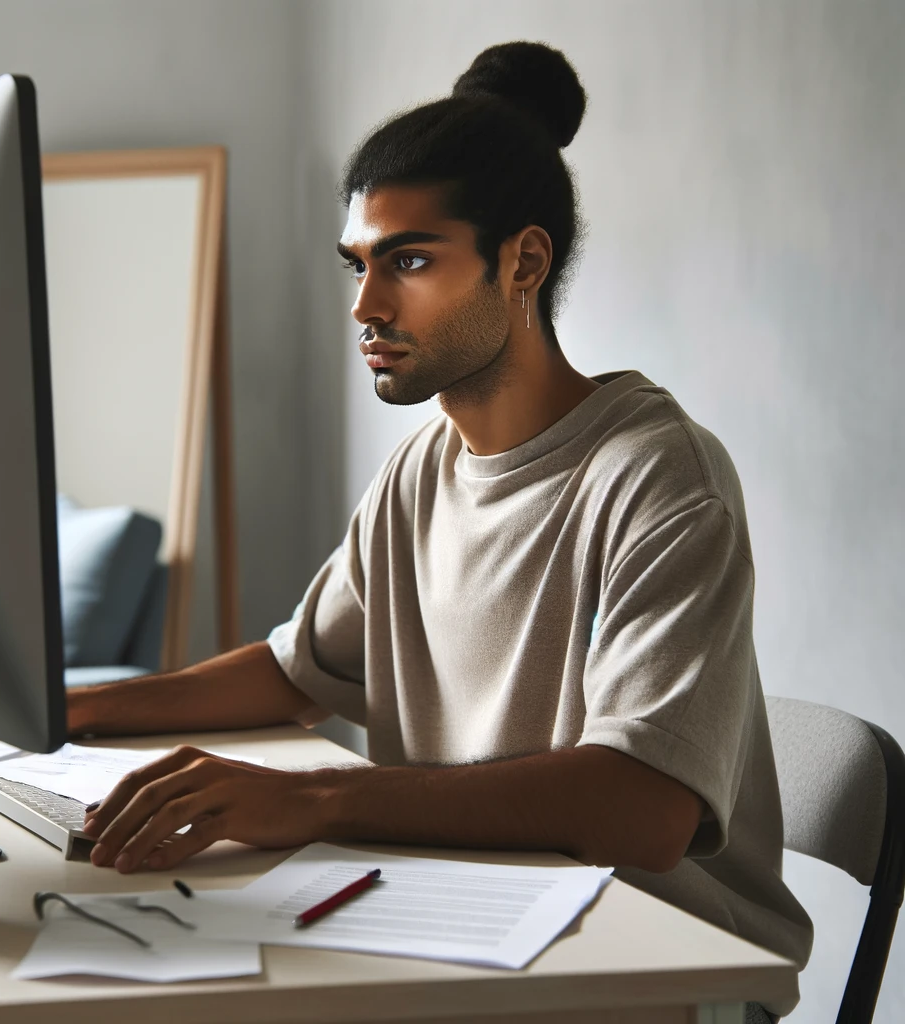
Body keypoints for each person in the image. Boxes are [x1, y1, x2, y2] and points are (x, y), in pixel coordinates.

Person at [69, 41, 811, 1022]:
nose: (365, 306)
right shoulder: (418, 473)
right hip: (471, 925)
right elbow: (298, 672)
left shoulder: (658, 478)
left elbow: (645, 807)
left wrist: (316, 799)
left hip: (656, 972)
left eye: (408, 261)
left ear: (523, 262)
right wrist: (69, 711)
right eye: (359, 264)